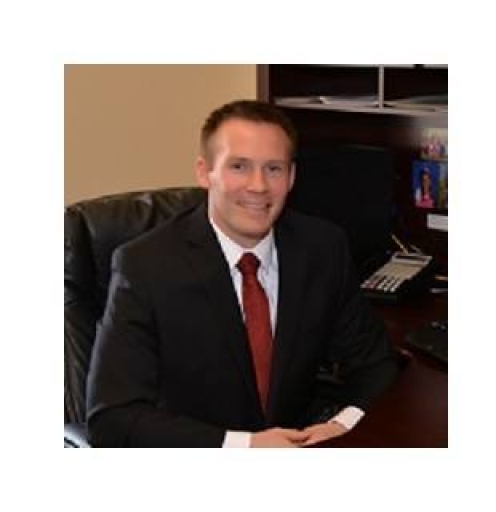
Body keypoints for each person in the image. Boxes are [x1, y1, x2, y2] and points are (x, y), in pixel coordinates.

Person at [86, 99, 399, 447]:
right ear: (205, 172)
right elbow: (111, 419)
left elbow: (377, 365)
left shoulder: (322, 248)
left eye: (274, 169)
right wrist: (244, 446)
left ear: (292, 177)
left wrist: (342, 423)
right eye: (239, 166)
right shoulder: (145, 266)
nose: (258, 186)